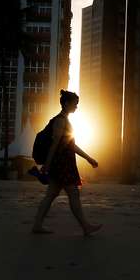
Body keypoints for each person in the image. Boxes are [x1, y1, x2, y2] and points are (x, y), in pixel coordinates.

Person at [32, 90, 102, 236]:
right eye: (75, 104)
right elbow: (54, 144)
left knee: (51, 194)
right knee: (73, 193)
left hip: (62, 164)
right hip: (61, 165)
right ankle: (85, 226)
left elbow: (71, 145)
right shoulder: (60, 121)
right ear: (66, 103)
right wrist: (47, 164)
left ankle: (37, 225)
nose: (76, 106)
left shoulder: (65, 120)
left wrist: (88, 158)